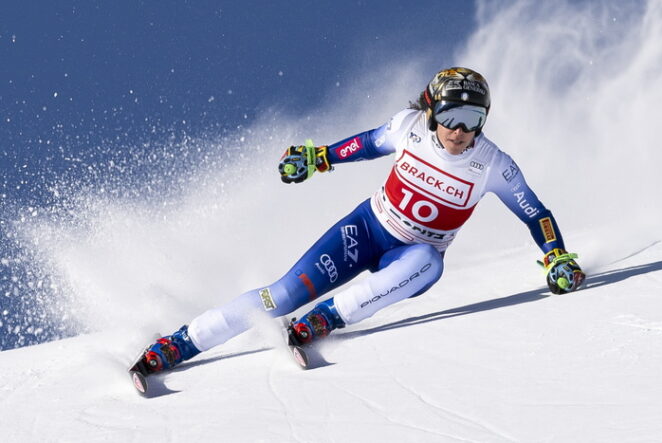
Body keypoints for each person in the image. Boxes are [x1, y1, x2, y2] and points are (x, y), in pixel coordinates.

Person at [137, 67, 586, 373]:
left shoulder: (492, 164)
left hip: (409, 255)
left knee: (429, 260)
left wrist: (556, 255)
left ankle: (323, 320)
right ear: (431, 111)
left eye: (473, 119)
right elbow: (366, 145)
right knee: (283, 294)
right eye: (451, 115)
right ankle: (178, 345)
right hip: (366, 230)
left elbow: (536, 213)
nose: (460, 130)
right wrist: (318, 159)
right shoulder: (408, 127)